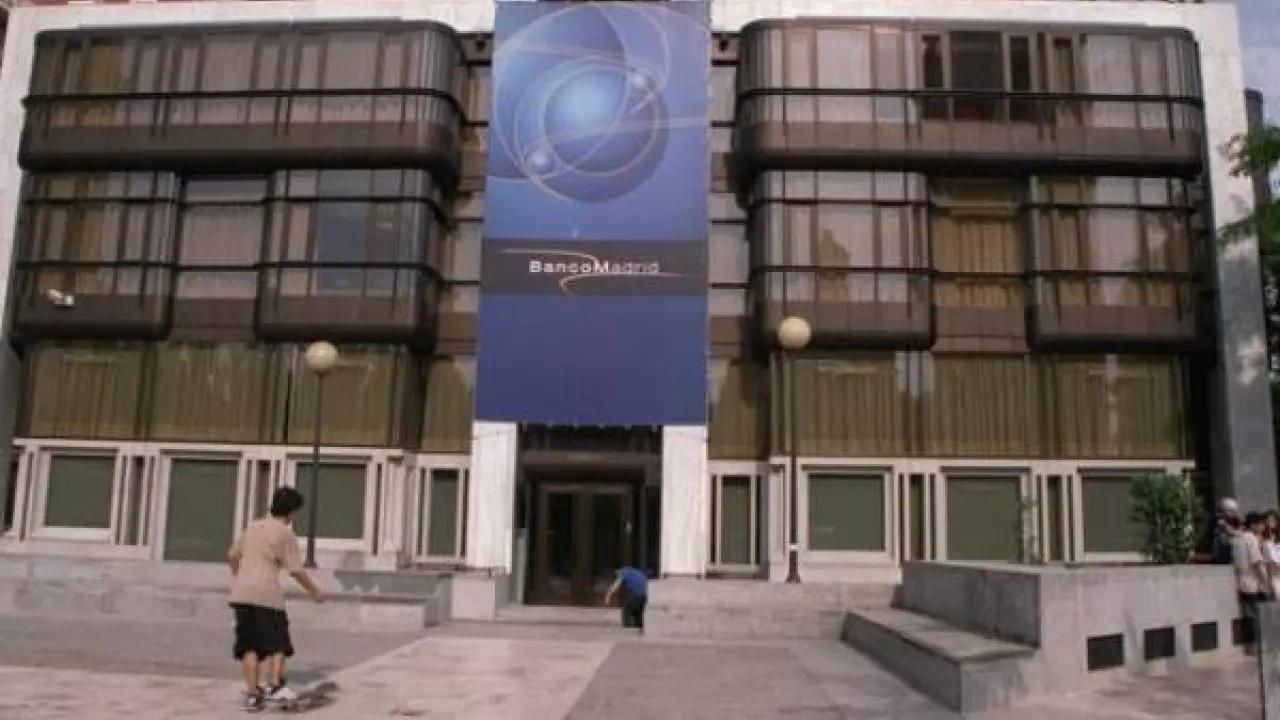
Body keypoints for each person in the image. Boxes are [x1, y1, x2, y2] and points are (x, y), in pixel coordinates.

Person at [228, 486, 325, 712]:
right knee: (279, 643)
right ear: (291, 512)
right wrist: (314, 591)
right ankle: (275, 685)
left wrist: (238, 575)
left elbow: (232, 555)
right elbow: (296, 570)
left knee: (249, 646)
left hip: (242, 594)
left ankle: (253, 696)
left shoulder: (253, 526)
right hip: (267, 594)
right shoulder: (284, 533)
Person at [1233, 511, 1274, 650]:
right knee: (1262, 617)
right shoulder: (1251, 539)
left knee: (1250, 616)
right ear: (1253, 525)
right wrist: (1265, 584)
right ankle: (1262, 647)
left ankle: (1252, 646)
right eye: (1261, 524)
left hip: (1242, 584)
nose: (1263, 527)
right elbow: (1256, 563)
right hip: (1253, 584)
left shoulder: (1238, 538)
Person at [603, 564, 648, 631]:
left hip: (633, 596)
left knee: (627, 616)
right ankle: (639, 629)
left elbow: (616, 585)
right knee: (638, 616)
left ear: (618, 570)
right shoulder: (639, 573)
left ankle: (628, 631)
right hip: (643, 596)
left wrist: (608, 596)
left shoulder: (623, 572)